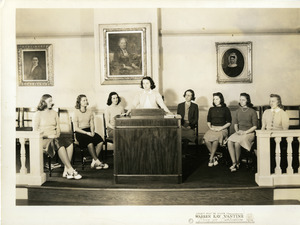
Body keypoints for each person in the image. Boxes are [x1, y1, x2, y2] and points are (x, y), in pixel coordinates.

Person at [33, 94, 82, 179]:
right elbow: (35, 131)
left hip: (55, 138)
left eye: (52, 101)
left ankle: (66, 170)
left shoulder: (54, 113)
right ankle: (70, 170)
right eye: (50, 101)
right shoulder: (38, 114)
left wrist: (56, 135)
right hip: (43, 139)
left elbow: (58, 128)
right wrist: (48, 135)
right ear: (43, 102)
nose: (52, 103)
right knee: (59, 143)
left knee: (70, 143)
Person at [73, 94, 108, 170]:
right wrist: (86, 133)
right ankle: (97, 161)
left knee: (100, 140)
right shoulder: (76, 112)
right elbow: (76, 128)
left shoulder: (90, 111)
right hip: (80, 133)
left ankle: (93, 162)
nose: (86, 101)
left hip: (89, 130)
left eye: (86, 100)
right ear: (79, 102)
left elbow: (92, 123)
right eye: (84, 100)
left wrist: (92, 131)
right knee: (90, 142)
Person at [227, 93, 258, 172]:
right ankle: (234, 162)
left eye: (243, 100)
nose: (241, 101)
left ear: (247, 100)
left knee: (237, 143)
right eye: (240, 99)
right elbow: (235, 124)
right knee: (229, 141)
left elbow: (255, 126)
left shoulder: (252, 111)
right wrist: (237, 131)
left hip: (249, 133)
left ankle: (237, 163)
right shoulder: (237, 111)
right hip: (239, 132)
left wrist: (245, 132)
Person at [261, 94, 289, 173]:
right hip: (266, 136)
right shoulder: (266, 112)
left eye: (273, 101)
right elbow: (263, 127)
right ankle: (265, 168)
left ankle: (275, 168)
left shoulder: (283, 113)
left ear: (278, 102)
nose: (271, 103)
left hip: (279, 137)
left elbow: (285, 129)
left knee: (274, 147)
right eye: (270, 101)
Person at [203, 92, 232, 167]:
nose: (215, 100)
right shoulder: (211, 109)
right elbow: (208, 121)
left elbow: (229, 122)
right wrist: (211, 128)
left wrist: (220, 128)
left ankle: (211, 158)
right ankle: (214, 156)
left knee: (215, 139)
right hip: (213, 128)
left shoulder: (226, 109)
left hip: (223, 129)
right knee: (206, 139)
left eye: (217, 99)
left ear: (221, 99)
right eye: (214, 99)